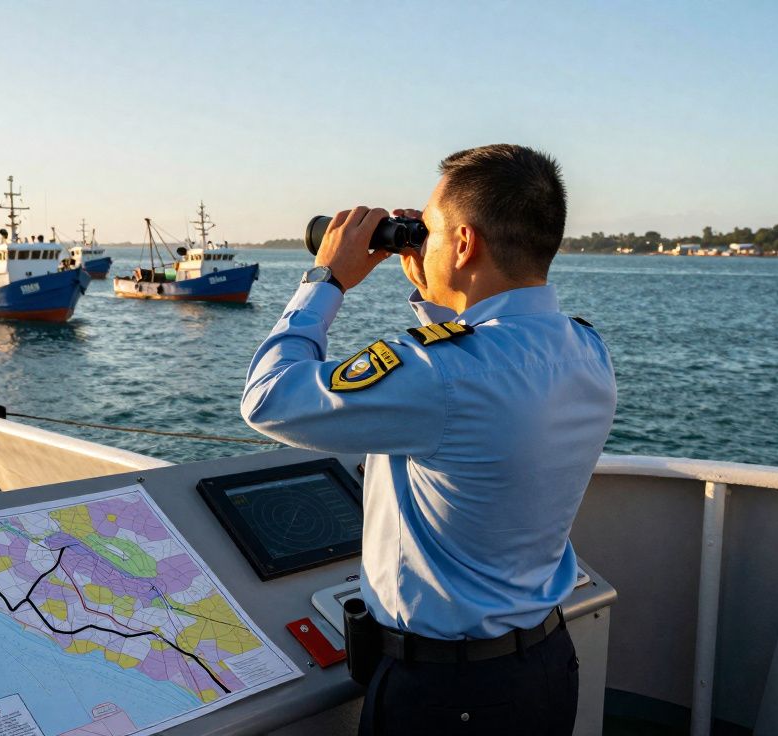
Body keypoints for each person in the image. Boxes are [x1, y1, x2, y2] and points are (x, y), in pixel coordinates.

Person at [241, 144, 617, 735]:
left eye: (428, 231)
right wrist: (438, 286)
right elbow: (465, 378)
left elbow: (268, 397)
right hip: (543, 670)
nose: (416, 241)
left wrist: (328, 277)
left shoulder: (436, 372)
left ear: (464, 244)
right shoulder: (586, 350)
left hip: (448, 700)